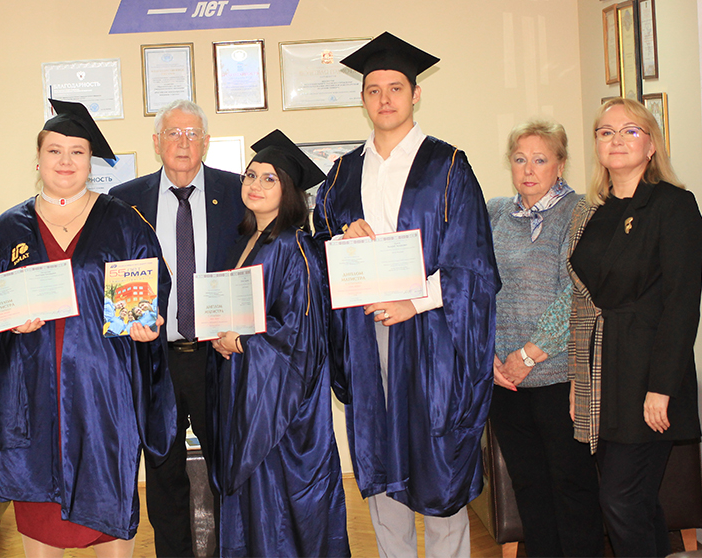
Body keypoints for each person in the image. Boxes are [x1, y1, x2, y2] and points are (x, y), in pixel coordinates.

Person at [313, 32, 500, 558]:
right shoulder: (344, 171)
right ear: (363, 99)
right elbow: (318, 242)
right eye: (374, 90)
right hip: (365, 332)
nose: (385, 99)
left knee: (437, 460)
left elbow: (473, 263)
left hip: (434, 333)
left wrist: (412, 302)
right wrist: (341, 235)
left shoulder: (448, 165)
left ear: (416, 94)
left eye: (396, 88)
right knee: (380, 458)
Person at [0, 99, 176, 558]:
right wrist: (4, 322)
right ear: (38, 159)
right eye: (54, 151)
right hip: (32, 398)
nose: (65, 161)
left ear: (90, 160)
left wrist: (147, 326)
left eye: (77, 151)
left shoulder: (124, 223)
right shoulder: (7, 230)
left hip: (103, 397)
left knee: (109, 503)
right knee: (40, 513)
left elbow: (152, 288)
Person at [567, 97, 701, 557]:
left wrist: (661, 387)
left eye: (630, 131)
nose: (617, 140)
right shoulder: (593, 211)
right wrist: (579, 380)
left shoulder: (674, 205)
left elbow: (682, 304)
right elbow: (583, 303)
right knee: (636, 500)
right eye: (606, 132)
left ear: (651, 145)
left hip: (649, 374)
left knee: (620, 499)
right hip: (604, 373)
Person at [109, 99, 244, 557]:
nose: (183, 143)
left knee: (228, 468)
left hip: (217, 356)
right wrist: (128, 319)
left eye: (192, 134)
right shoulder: (124, 199)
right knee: (163, 472)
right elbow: (112, 270)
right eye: (173, 133)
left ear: (205, 142)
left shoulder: (237, 191)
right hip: (155, 359)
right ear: (156, 142)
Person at [207, 130, 349, 557]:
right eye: (251, 175)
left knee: (279, 510)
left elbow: (301, 337)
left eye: (269, 178)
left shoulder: (295, 247)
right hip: (247, 394)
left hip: (280, 411)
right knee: (251, 507)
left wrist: (242, 343)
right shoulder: (247, 240)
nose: (256, 184)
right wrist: (223, 337)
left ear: (288, 191)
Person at [486, 120, 604, 557]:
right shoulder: (495, 213)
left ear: (561, 164)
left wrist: (527, 355)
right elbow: (477, 286)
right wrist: (488, 355)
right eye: (520, 159)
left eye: (540, 159)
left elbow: (577, 293)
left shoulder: (581, 212)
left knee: (572, 487)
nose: (529, 169)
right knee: (529, 487)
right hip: (504, 381)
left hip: (559, 377)